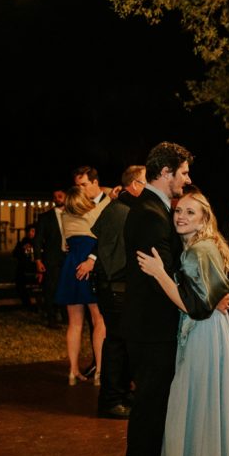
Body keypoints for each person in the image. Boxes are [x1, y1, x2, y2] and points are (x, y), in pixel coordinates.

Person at [136, 190, 229, 456]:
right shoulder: (204, 246)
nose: (181, 216)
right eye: (179, 211)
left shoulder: (197, 251)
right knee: (206, 400)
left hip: (203, 331)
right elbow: (210, 296)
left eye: (190, 212)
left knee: (194, 400)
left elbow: (194, 306)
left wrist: (159, 273)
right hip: (214, 330)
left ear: (204, 218)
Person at [122, 141, 198, 456]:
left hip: (149, 325)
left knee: (154, 402)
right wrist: (201, 300)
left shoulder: (151, 208)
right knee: (149, 405)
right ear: (165, 172)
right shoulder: (151, 215)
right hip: (151, 327)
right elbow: (162, 275)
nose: (187, 178)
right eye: (182, 172)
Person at [82, 165, 146, 419]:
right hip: (116, 287)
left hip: (115, 286)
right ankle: (110, 400)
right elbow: (116, 256)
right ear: (133, 185)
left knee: (121, 343)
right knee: (117, 345)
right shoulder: (122, 211)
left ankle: (119, 392)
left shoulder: (119, 208)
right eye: (144, 182)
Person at [55, 184, 110, 385]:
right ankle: (100, 373)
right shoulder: (95, 212)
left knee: (74, 323)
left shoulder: (64, 216)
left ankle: (72, 371)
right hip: (89, 266)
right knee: (99, 321)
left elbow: (64, 245)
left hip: (71, 267)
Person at [34, 190, 67, 328]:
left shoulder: (74, 214)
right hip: (51, 258)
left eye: (60, 196)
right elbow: (38, 239)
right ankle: (51, 319)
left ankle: (67, 317)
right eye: (54, 197)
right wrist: (38, 260)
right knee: (50, 288)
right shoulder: (45, 217)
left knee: (67, 287)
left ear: (66, 197)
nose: (57, 199)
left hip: (69, 257)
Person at [13, 224, 37, 308]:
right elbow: (15, 254)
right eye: (29, 231)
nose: (31, 233)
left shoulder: (39, 242)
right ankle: (28, 304)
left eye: (33, 231)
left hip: (37, 270)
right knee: (19, 283)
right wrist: (22, 249)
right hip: (24, 270)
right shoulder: (23, 242)